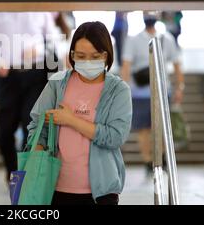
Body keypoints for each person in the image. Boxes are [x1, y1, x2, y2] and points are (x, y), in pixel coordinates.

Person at [27, 21, 132, 205]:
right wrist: (38, 155)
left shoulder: (118, 90)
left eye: (95, 56)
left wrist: (71, 120)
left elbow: (116, 136)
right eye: (81, 56)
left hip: (101, 193)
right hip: (55, 189)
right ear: (72, 55)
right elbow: (37, 125)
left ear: (106, 55)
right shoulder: (57, 83)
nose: (87, 62)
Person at [0, 12, 58, 181]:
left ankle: (26, 173)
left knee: (31, 125)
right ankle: (12, 171)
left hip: (35, 73)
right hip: (8, 75)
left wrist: (39, 49)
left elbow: (53, 38)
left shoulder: (40, 8)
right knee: (4, 131)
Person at [121, 12, 184, 176]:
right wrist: (124, 88)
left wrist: (179, 87)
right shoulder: (134, 39)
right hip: (141, 92)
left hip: (161, 91)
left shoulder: (166, 39)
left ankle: (157, 158)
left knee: (158, 128)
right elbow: (126, 66)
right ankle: (149, 160)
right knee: (144, 128)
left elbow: (177, 64)